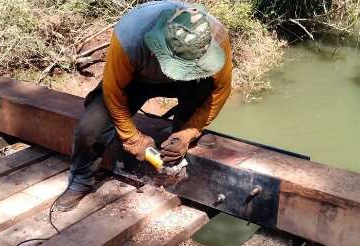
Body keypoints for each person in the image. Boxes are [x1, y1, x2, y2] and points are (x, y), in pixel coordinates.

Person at [55, 1, 233, 212]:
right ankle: (81, 181)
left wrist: (188, 132)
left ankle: (180, 129)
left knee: (202, 93)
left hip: (190, 83)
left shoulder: (217, 38)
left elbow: (220, 91)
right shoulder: (130, 37)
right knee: (90, 129)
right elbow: (114, 93)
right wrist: (132, 138)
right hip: (136, 80)